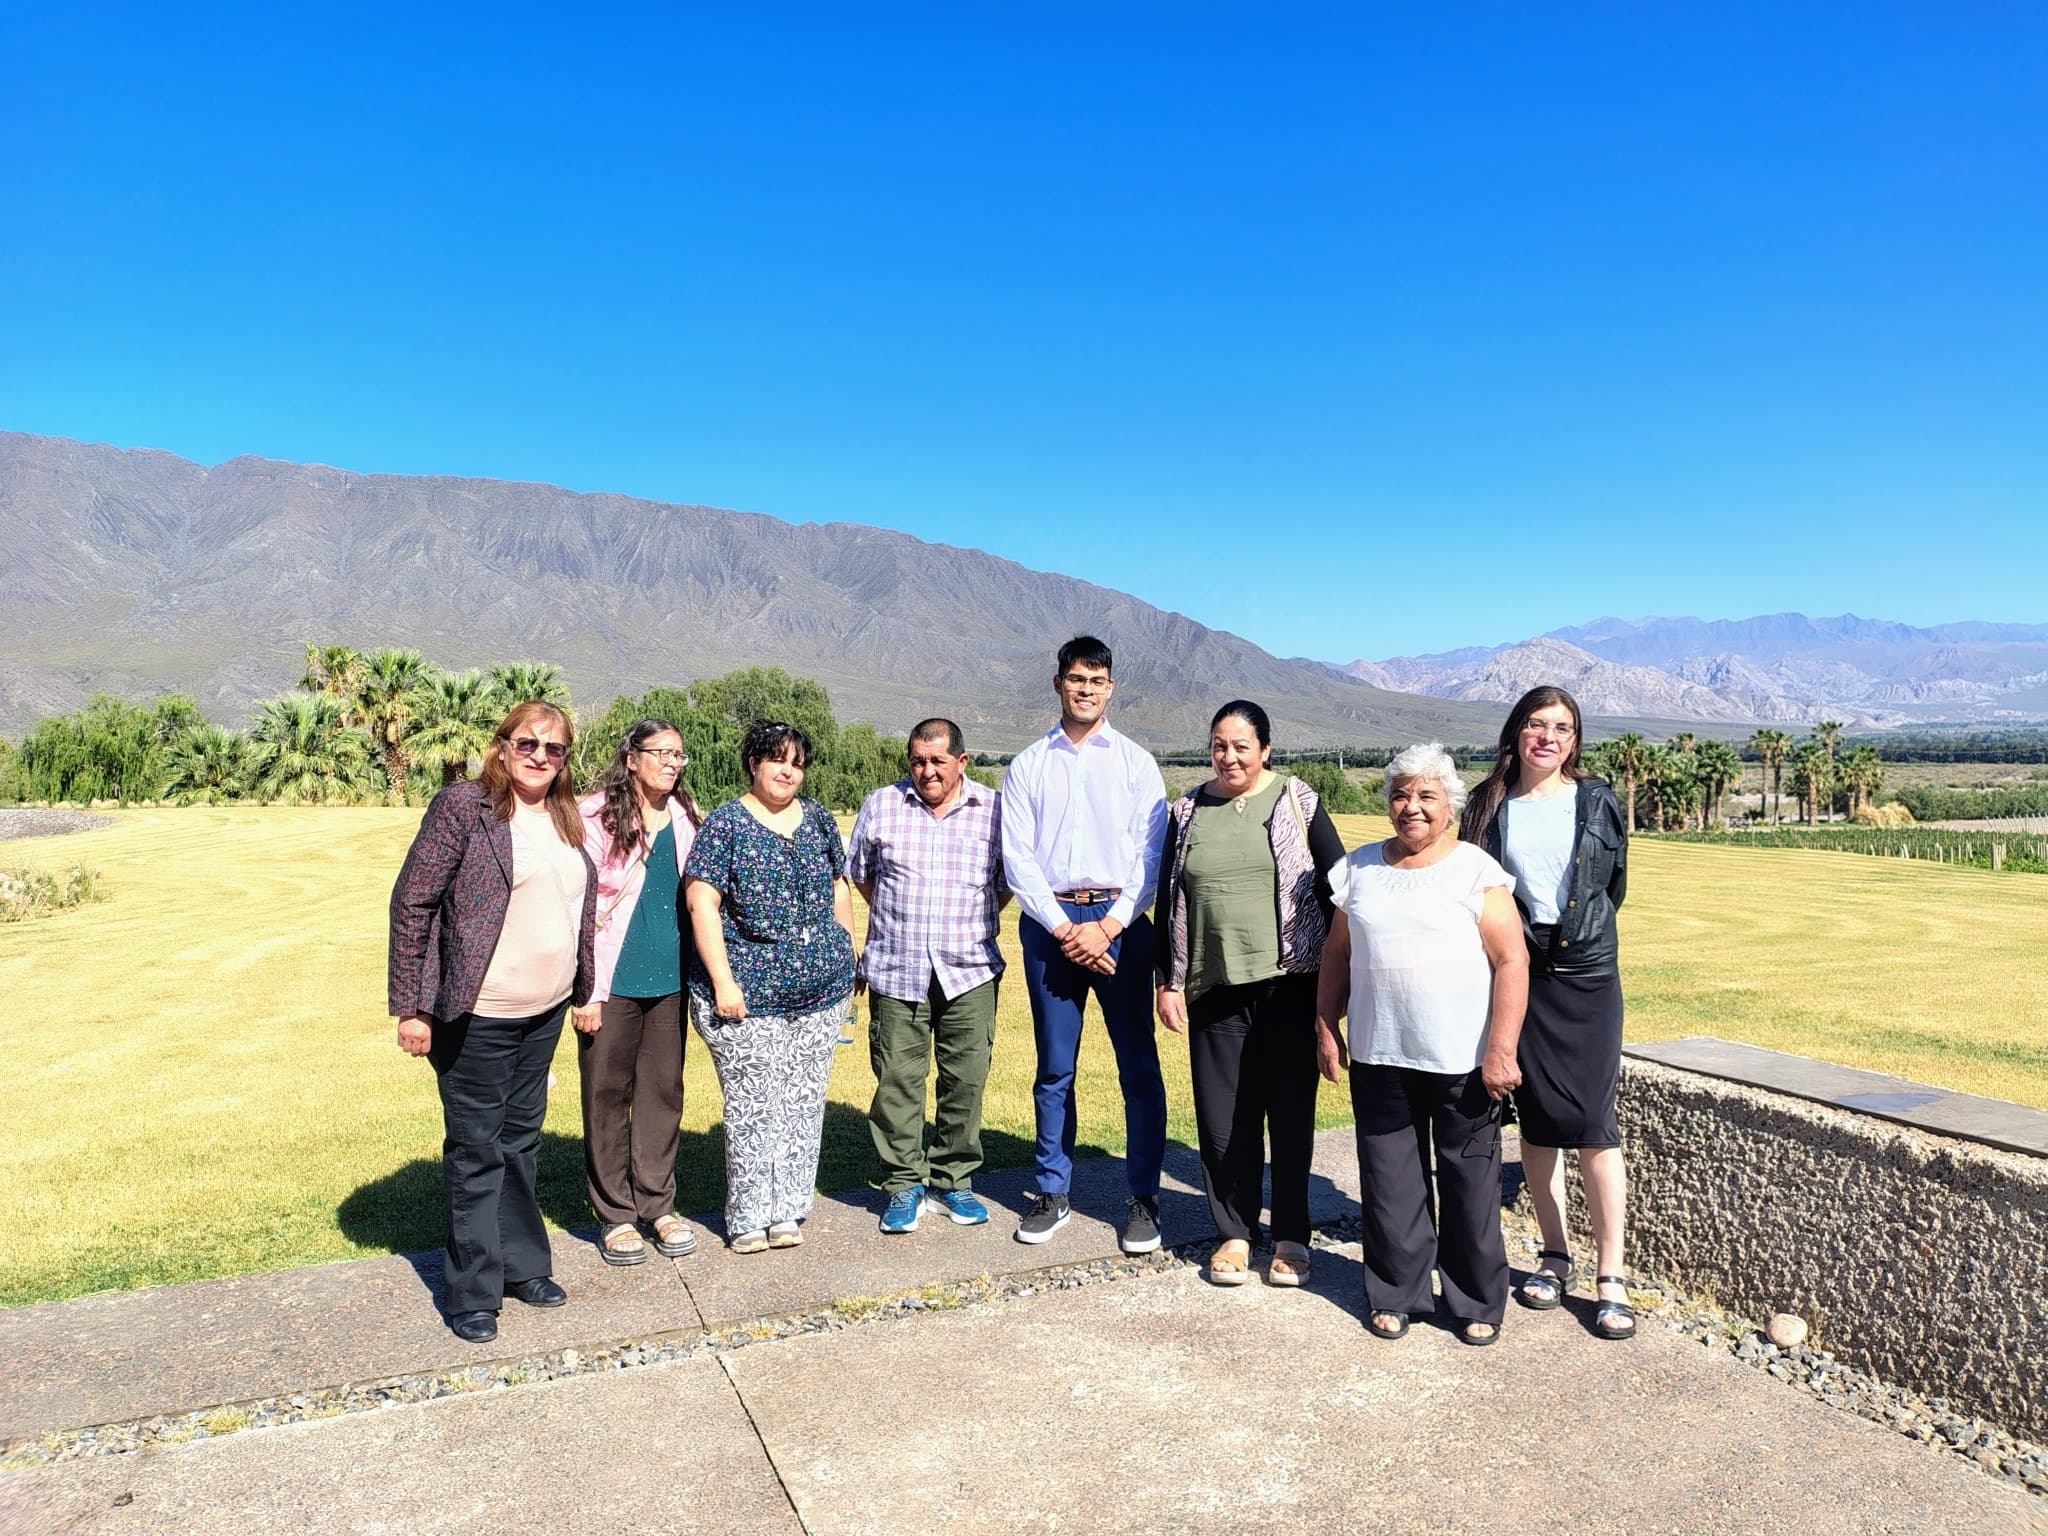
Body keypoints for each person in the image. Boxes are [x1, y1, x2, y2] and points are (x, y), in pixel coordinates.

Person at [389, 701, 598, 1344]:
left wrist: (581, 986)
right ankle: (473, 1292)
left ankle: (524, 1266)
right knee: (478, 1149)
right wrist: (413, 1006)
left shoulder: (564, 816)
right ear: (502, 746)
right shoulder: (465, 807)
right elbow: (414, 902)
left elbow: (575, 906)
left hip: (544, 1009)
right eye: (527, 743)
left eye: (554, 748)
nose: (540, 756)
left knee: (520, 1143)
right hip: (478, 1012)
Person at [1315, 742, 1527, 1346]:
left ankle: (1476, 1298)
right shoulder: (1357, 869)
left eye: (1427, 795)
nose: (1412, 806)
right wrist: (1326, 1026)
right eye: (1400, 795)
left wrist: (1502, 1049)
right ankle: (1396, 1292)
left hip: (1463, 1058)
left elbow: (1511, 960)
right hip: (1380, 1053)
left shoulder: (1475, 871)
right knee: (1390, 1181)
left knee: (1470, 1182)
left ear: (1450, 804)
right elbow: (1337, 954)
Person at [1461, 685, 1636, 1340]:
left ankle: (1611, 1276)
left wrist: (1578, 936)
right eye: (1537, 724)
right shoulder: (1488, 804)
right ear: (1516, 731)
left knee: (1594, 1124)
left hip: (1589, 977)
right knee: (1536, 1123)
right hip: (1521, 974)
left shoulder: (1597, 800)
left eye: (1562, 728)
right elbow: (1474, 888)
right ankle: (1556, 1254)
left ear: (1574, 740)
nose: (1548, 737)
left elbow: (1612, 885)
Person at [1155, 700, 1346, 1286]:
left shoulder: (1297, 799)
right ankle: (1235, 1233)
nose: (1229, 756)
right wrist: (1167, 980)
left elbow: (1340, 887)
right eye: (1219, 745)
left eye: (1241, 745)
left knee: (1289, 1114)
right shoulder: (1187, 810)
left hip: (1290, 984)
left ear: (1265, 748)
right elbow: (1167, 898)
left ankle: (1290, 1235)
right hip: (1213, 985)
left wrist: (1341, 985)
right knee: (1222, 1120)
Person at [1000, 636, 1170, 1252]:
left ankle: (1144, 1197)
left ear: (1110, 688)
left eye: (1097, 681)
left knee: (1138, 1067)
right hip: (1051, 926)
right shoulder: (1028, 765)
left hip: (1120, 923)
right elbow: (1018, 859)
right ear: (1058, 683)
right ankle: (1053, 1191)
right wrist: (1066, 928)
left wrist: (1109, 926)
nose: (1086, 690)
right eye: (1076, 679)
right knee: (1054, 1068)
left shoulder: (1136, 763)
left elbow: (1152, 856)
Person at [683, 720, 856, 1254]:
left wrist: (847, 954)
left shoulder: (818, 818)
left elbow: (839, 886)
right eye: (777, 760)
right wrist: (723, 982)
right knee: (755, 1105)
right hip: (746, 994)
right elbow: (701, 902)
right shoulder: (726, 825)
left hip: (820, 993)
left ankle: (788, 1210)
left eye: (797, 763)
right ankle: (748, 1217)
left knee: (803, 1102)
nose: (788, 772)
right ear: (754, 764)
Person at [845, 719, 1007, 1234]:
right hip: (897, 968)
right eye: (918, 760)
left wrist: (965, 925)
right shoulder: (882, 804)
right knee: (897, 1080)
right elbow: (861, 876)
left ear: (962, 761)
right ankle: (903, 1183)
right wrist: (901, 922)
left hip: (970, 970)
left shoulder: (994, 810)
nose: (927, 770)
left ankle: (953, 1179)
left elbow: (1005, 883)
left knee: (966, 1080)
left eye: (938, 760)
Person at [574, 718, 704, 1267]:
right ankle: (616, 1215)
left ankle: (657, 1205)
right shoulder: (594, 816)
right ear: (631, 758)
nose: (672, 763)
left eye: (679, 754)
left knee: (662, 1094)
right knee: (605, 1096)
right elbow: (577, 906)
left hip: (670, 981)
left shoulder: (686, 817)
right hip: (612, 982)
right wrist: (586, 990)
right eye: (661, 752)